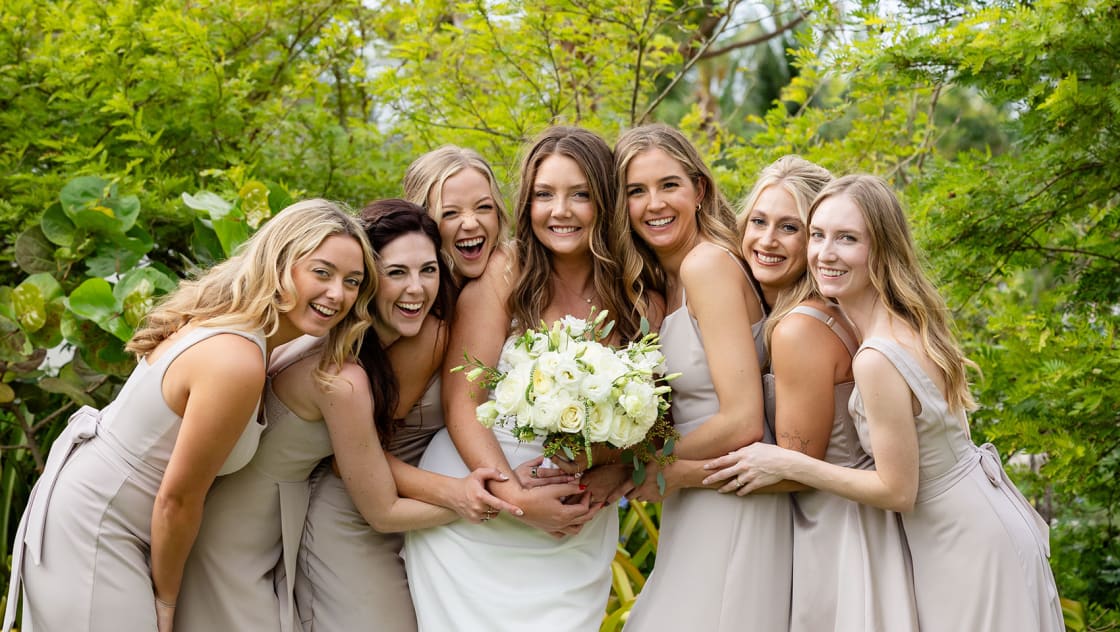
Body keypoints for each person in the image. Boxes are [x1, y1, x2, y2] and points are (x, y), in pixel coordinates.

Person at [704, 174, 1064, 631]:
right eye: (817, 235)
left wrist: (786, 461)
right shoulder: (900, 321)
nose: (825, 253)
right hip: (967, 522)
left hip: (963, 541)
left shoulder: (876, 356)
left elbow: (898, 490)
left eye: (847, 239)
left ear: (882, 248)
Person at [3, 199, 374, 632]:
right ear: (280, 263)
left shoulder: (243, 326)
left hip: (108, 515)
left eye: (353, 281)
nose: (338, 294)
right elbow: (177, 500)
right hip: (97, 529)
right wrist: (166, 600)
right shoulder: (236, 360)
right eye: (322, 272)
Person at [405, 126, 653, 631]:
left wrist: (617, 466)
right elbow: (461, 401)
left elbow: (655, 414)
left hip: (574, 527)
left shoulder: (637, 291)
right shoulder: (504, 273)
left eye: (579, 194)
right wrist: (515, 499)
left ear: (604, 200)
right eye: (544, 195)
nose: (559, 210)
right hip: (481, 521)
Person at [291, 157, 543, 632]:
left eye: (484, 207)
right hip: (362, 515)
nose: (471, 223)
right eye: (451, 213)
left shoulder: (496, 288)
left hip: (421, 521)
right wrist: (486, 494)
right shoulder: (422, 323)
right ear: (426, 222)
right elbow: (365, 455)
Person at [615, 124, 791, 632]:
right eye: (636, 191)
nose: (654, 204)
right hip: (697, 496)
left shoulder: (707, 265)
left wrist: (648, 467)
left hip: (732, 501)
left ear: (699, 189)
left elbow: (741, 421)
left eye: (669, 185)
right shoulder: (659, 285)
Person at [736, 157, 918, 631]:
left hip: (838, 531)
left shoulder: (800, 328)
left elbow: (797, 464)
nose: (768, 240)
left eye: (790, 227)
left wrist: (669, 473)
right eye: (758, 221)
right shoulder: (831, 311)